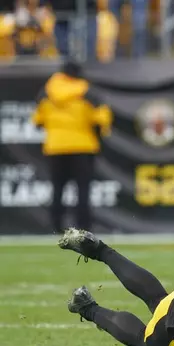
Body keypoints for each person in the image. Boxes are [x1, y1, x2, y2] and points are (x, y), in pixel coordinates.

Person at [32, 60, 112, 234]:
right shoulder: (87, 92)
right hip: (83, 146)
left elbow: (37, 121)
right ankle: (83, 226)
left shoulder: (46, 91)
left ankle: (55, 226)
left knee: (57, 188)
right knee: (82, 189)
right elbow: (102, 119)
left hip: (55, 146)